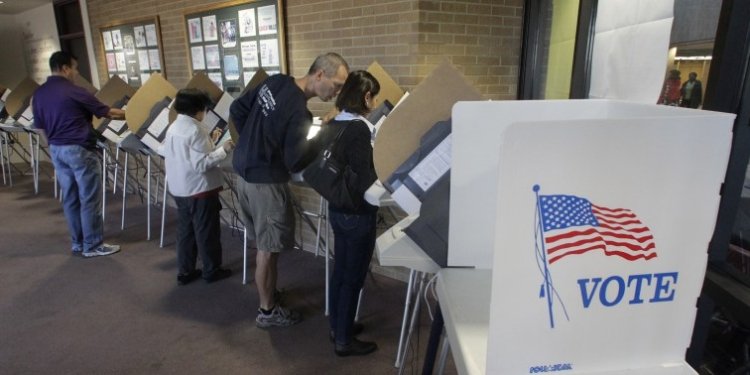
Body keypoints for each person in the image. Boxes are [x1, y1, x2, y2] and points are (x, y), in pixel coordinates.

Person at [230, 52, 349, 328]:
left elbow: (237, 110)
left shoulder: (276, 82)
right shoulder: (300, 112)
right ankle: (267, 312)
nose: (337, 92)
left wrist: (253, 141)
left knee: (265, 245)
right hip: (264, 183)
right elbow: (295, 160)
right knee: (268, 250)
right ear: (319, 74)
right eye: (337, 85)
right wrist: (322, 136)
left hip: (243, 174)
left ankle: (268, 296)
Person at [32, 51, 125, 258]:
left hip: (56, 150)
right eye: (74, 68)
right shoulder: (74, 91)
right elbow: (108, 112)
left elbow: (39, 128)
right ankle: (92, 245)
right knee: (89, 197)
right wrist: (134, 113)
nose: (75, 72)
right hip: (80, 149)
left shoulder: (39, 94)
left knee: (71, 198)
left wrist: (53, 146)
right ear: (65, 68)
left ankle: (78, 243)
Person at [319, 70, 380, 356]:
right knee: (353, 277)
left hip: (337, 207)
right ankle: (343, 340)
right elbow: (366, 178)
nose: (375, 102)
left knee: (341, 270)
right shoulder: (360, 128)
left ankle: (337, 326)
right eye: (374, 96)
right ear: (366, 96)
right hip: (358, 212)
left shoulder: (333, 122)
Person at [159, 89, 235, 285]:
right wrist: (223, 150)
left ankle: (185, 272)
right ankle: (212, 270)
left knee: (186, 232)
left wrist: (212, 144)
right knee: (206, 231)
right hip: (200, 189)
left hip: (180, 188)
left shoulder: (174, 126)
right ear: (197, 110)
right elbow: (201, 164)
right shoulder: (195, 130)